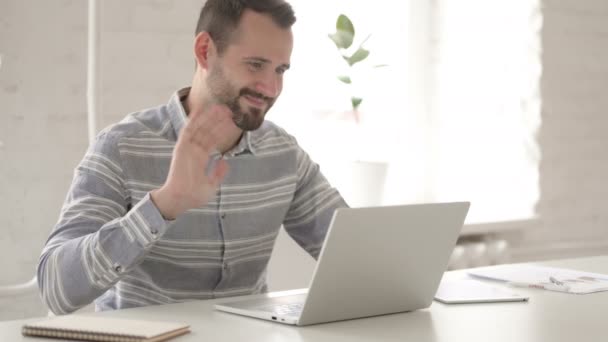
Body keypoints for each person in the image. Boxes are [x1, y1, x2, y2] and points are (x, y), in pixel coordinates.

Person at [37, 0, 347, 315]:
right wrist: (165, 204)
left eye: (280, 69)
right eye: (255, 64)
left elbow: (355, 254)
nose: (271, 87)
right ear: (204, 51)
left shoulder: (284, 154)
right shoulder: (122, 147)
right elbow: (56, 289)